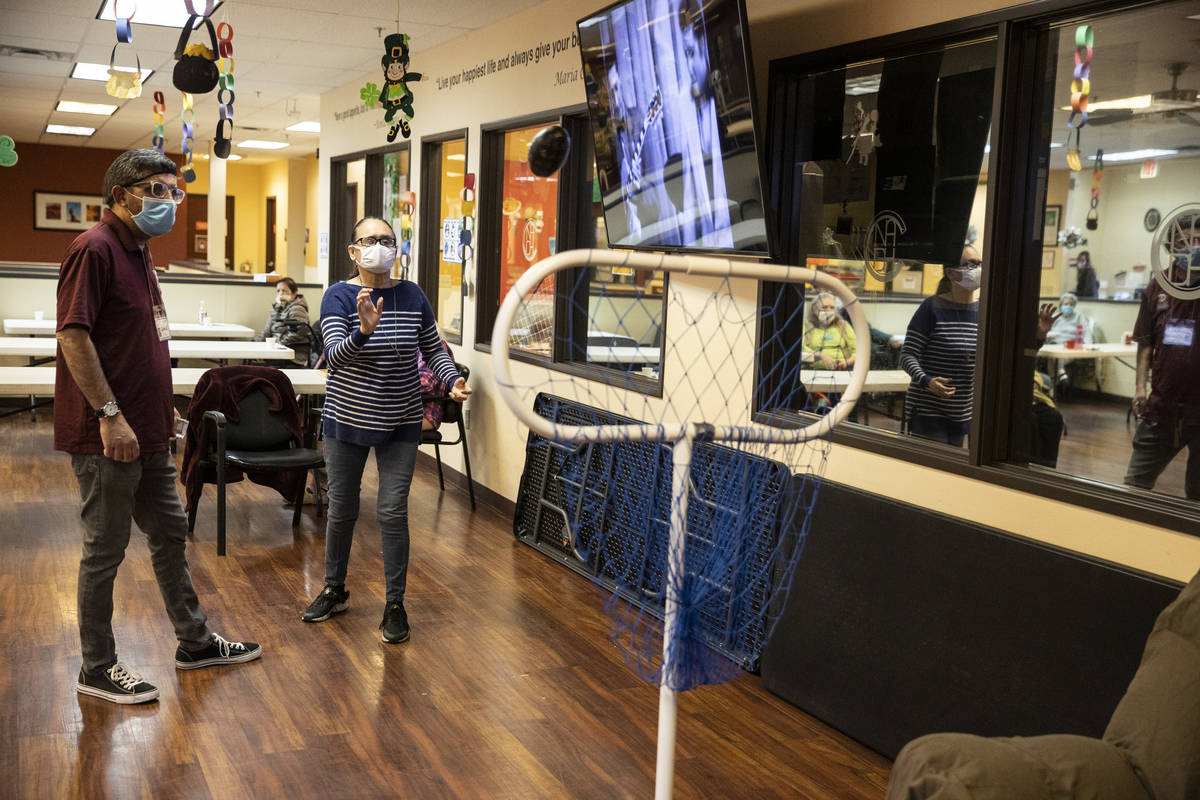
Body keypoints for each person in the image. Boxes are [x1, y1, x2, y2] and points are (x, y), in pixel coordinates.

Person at [55, 149, 261, 705]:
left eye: (175, 190)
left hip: (144, 431)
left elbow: (140, 342)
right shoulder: (94, 249)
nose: (169, 200)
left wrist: (158, 409)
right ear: (122, 195)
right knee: (105, 551)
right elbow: (74, 337)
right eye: (158, 190)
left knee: (170, 536)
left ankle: (194, 643)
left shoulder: (140, 252)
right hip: (108, 436)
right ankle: (96, 667)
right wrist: (111, 414)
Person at [302, 216, 470, 643]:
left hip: (400, 420)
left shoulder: (412, 295)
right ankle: (334, 588)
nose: (380, 245)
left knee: (393, 512)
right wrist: (363, 332)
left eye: (388, 240)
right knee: (342, 509)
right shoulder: (338, 297)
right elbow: (335, 358)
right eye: (370, 240)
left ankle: (395, 604)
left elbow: (432, 347)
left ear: (398, 248)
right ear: (353, 251)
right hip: (347, 421)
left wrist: (451, 380)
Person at [1123, 216, 1200, 499]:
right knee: (1133, 486)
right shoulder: (1158, 287)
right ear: (1170, 246)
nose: (1193, 247)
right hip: (1162, 407)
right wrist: (1140, 387)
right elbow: (1145, 343)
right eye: (1185, 241)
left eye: (1198, 241)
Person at [900, 245, 982, 446]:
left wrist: (1038, 337)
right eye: (969, 264)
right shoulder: (931, 307)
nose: (977, 269)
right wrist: (926, 380)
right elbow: (907, 355)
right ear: (950, 272)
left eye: (979, 264)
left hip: (962, 411)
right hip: (929, 409)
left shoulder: (984, 310)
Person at [259, 276, 311, 367]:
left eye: (284, 291)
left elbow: (299, 333)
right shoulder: (279, 307)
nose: (280, 294)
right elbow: (267, 331)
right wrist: (257, 343)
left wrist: (278, 344)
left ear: (294, 293)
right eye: (278, 291)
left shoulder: (297, 309)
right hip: (277, 351)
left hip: (293, 355)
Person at [804, 291, 856, 369]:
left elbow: (858, 351)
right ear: (814, 310)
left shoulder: (844, 326)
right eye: (824, 307)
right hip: (813, 370)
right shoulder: (806, 327)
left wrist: (847, 362)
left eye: (832, 308)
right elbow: (801, 349)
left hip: (842, 371)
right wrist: (820, 355)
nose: (828, 310)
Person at [418, 339, 456, 431]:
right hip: (400, 411)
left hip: (424, 412)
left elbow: (424, 385)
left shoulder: (435, 346)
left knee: (383, 428)